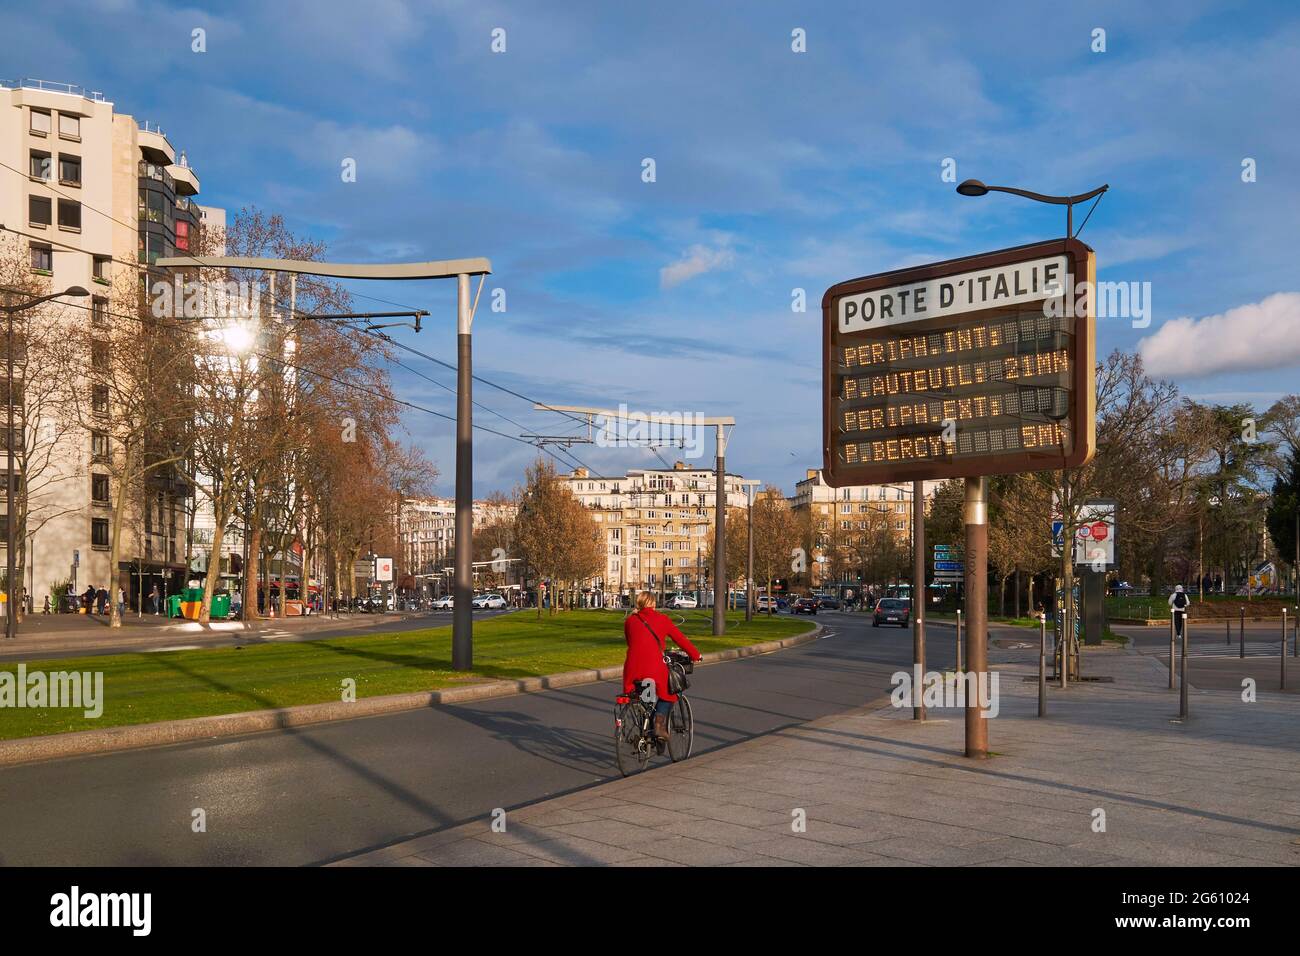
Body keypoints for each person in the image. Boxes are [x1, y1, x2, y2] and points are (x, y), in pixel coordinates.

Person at [621, 590, 702, 743]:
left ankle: (643, 722)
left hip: (633, 667)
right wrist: (695, 655)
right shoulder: (662, 619)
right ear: (653, 603)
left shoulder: (630, 621)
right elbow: (680, 639)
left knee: (640, 695)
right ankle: (658, 724)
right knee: (670, 692)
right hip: (653, 666)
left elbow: (630, 641)